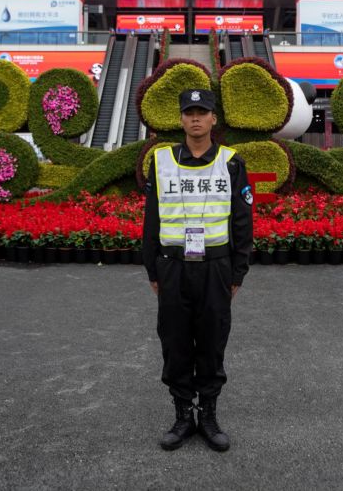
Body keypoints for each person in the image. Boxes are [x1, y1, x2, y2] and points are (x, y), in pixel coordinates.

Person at [142, 88, 253, 452]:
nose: (195, 118)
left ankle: (207, 416)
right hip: (173, 267)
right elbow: (152, 220)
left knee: (211, 342)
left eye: (202, 112)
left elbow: (242, 221)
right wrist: (152, 270)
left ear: (213, 119)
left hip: (215, 268)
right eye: (189, 112)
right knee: (174, 343)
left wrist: (237, 273)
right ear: (180, 119)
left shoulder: (232, 162)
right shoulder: (160, 162)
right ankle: (181, 416)